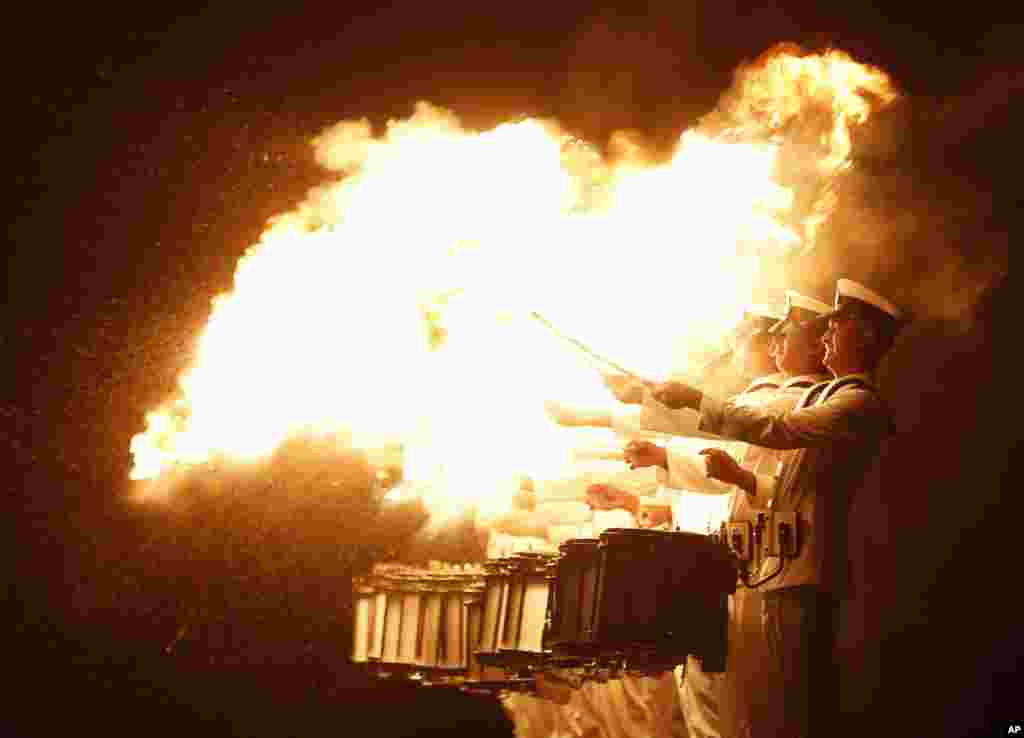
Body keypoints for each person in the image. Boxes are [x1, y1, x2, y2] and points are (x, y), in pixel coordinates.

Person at [646, 279, 903, 738]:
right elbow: (785, 485)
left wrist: (698, 399)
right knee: (782, 704)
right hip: (786, 567)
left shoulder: (858, 402)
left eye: (838, 325)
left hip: (814, 570)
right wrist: (741, 478)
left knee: (801, 707)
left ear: (864, 337)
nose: (826, 334)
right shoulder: (828, 398)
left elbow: (776, 428)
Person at [585, 290, 833, 738]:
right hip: (745, 563)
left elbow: (728, 429)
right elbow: (721, 435)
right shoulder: (766, 399)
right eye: (769, 332)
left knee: (754, 706)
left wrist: (650, 412)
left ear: (816, 346)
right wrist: (648, 409)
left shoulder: (795, 400)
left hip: (773, 564)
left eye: (782, 331)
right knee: (722, 705)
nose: (772, 340)